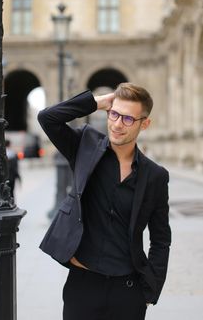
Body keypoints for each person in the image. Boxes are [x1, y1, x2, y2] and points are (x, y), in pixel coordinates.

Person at [38, 82, 171, 320]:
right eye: (114, 114)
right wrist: (96, 102)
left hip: (128, 291)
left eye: (128, 119)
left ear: (145, 123)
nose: (118, 124)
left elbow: (161, 239)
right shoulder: (85, 146)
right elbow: (48, 118)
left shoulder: (155, 176)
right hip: (83, 286)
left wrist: (150, 290)